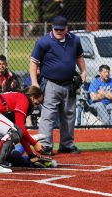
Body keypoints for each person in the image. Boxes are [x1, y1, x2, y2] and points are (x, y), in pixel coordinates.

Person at [29, 16, 86, 155]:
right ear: (52, 28)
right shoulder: (44, 42)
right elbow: (33, 63)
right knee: (48, 115)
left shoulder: (74, 40)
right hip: (50, 83)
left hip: (69, 84)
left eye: (62, 29)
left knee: (69, 115)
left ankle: (67, 144)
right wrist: (35, 83)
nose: (59, 31)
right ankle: (45, 145)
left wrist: (84, 71)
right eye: (56, 29)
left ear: (67, 28)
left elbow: (79, 56)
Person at [0, 86, 45, 173]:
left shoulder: (20, 98)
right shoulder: (23, 98)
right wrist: (34, 143)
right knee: (14, 131)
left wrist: (31, 155)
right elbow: (20, 129)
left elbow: (20, 133)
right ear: (32, 97)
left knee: (11, 131)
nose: (36, 106)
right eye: (37, 103)